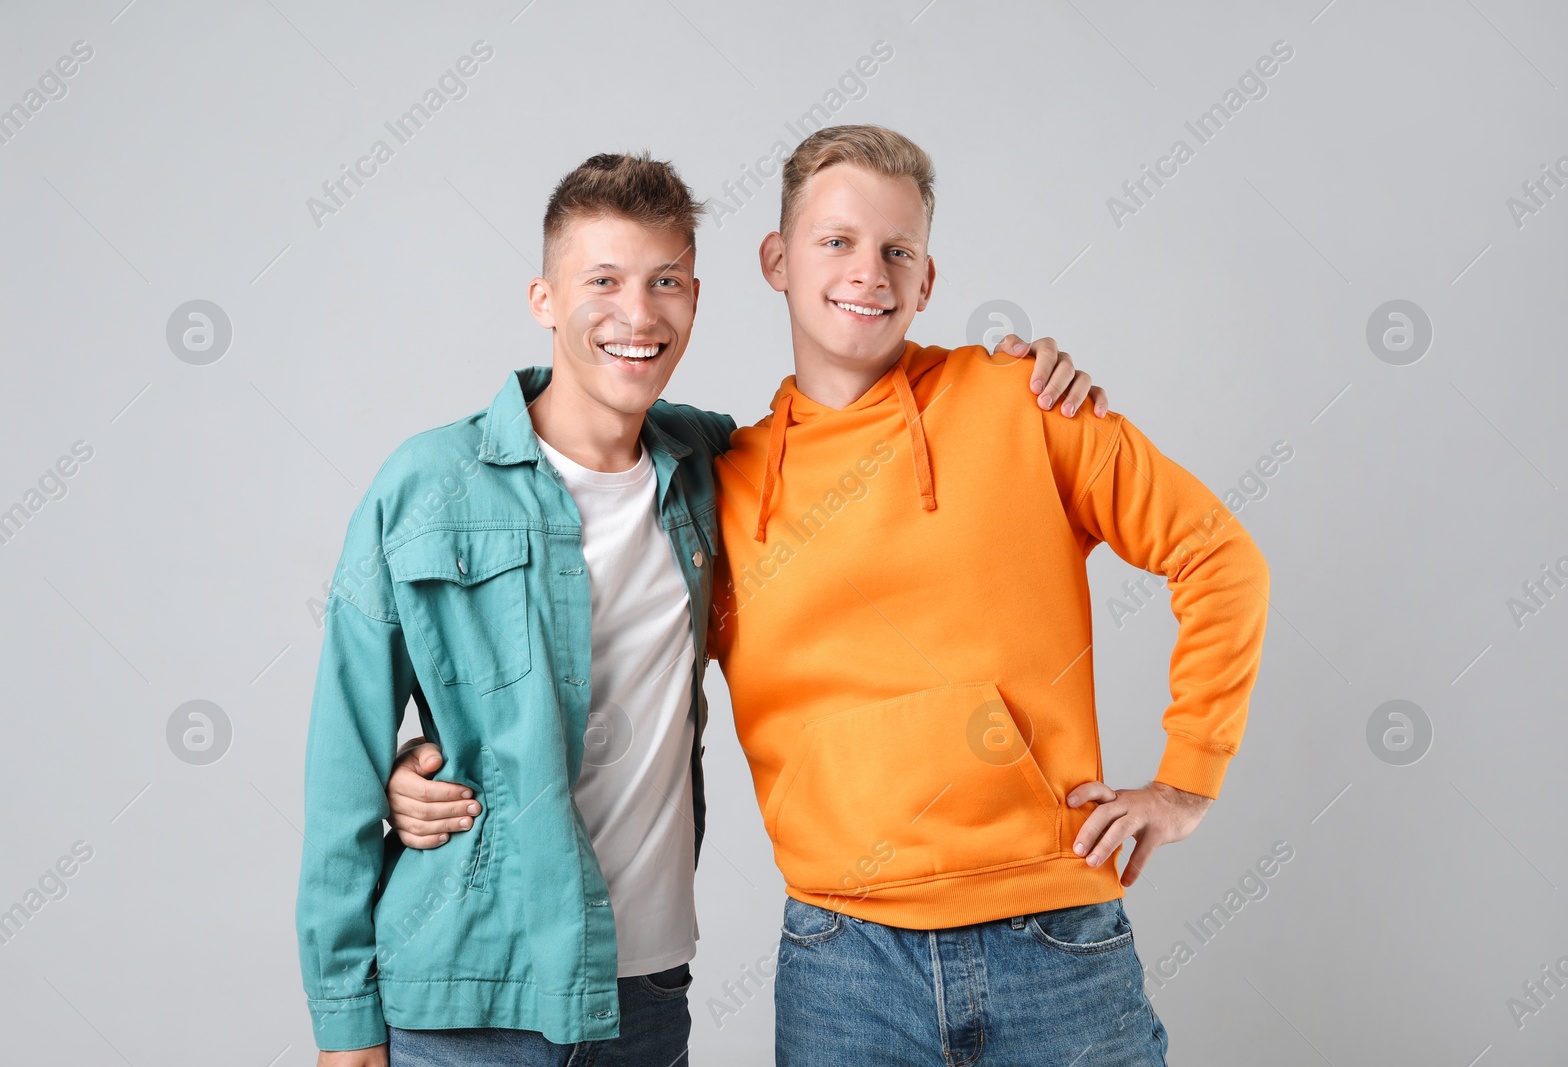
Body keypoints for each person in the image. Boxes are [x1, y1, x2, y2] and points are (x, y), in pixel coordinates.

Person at [396, 125, 1271, 1064]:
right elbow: (605, 663)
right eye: (837, 241)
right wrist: (435, 765)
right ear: (776, 260)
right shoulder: (717, 485)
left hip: (1054, 937)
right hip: (844, 964)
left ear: (928, 280)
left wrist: (1188, 781)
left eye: (900, 250)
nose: (871, 272)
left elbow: (1218, 555)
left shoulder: (1024, 404)